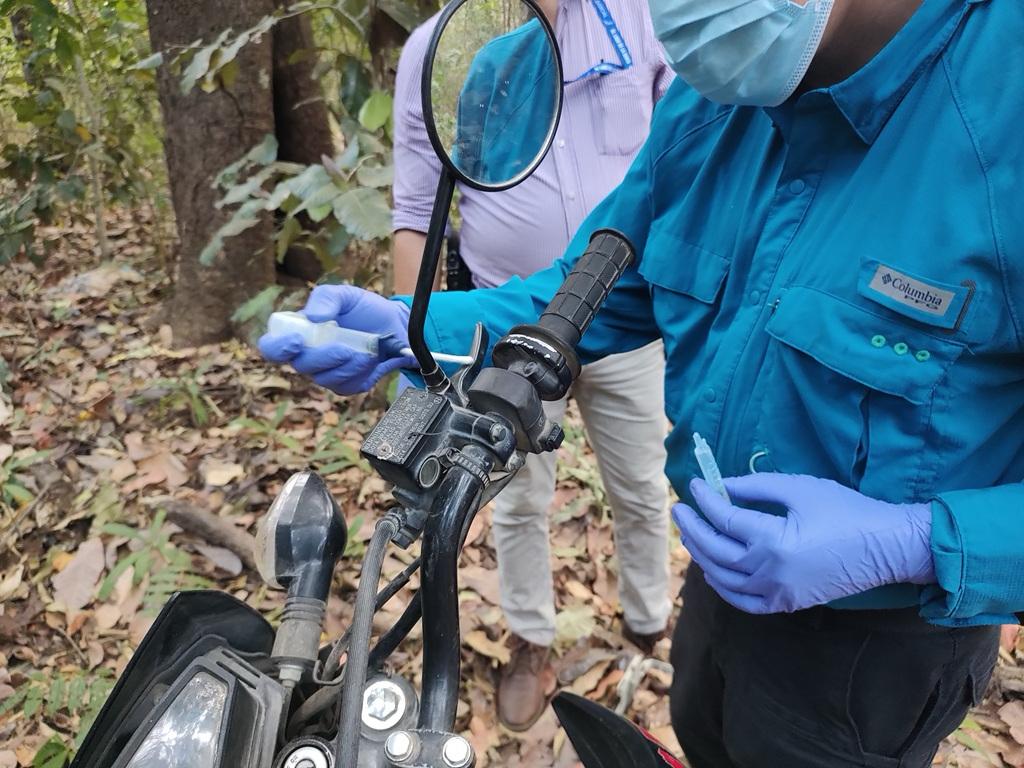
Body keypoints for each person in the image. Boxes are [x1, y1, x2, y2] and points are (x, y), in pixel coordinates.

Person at [260, 0, 1024, 764]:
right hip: (719, 578)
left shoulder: (1000, 106)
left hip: (875, 650)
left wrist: (913, 545)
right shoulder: (726, 84)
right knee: (705, 733)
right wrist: (415, 329)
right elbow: (594, 284)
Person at [389, 0, 675, 731]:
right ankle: (530, 638)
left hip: (626, 313)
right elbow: (419, 206)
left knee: (643, 485)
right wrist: (411, 342)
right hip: (501, 325)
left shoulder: (650, 21)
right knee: (512, 495)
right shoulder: (452, 53)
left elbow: (688, 166)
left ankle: (650, 624)